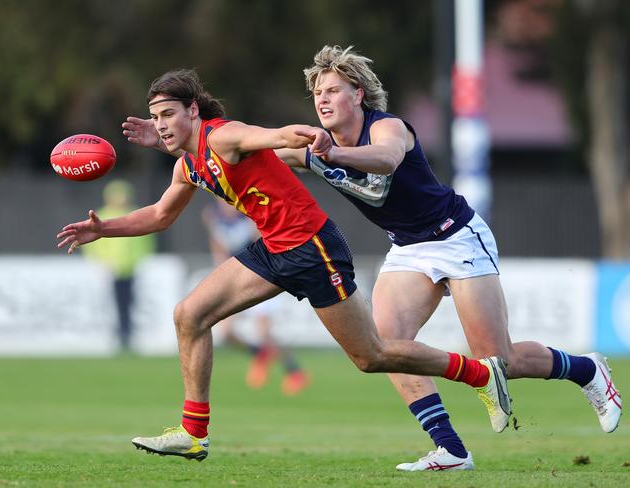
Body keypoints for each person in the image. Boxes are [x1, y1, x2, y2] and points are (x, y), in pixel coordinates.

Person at [57, 67, 511, 463]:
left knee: (371, 356)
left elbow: (273, 136)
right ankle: (193, 435)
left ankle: (479, 373)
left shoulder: (223, 135)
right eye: (155, 117)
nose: (161, 124)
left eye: (168, 114)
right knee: (189, 315)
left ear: (193, 111)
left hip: (314, 248)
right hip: (273, 249)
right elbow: (159, 215)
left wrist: (309, 136)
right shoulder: (188, 165)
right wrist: (103, 229)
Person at [273, 45, 622, 471]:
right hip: (408, 248)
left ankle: (587, 370)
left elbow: (385, 161)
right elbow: (259, 155)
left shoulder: (388, 128)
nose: (322, 100)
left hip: (457, 237)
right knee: (385, 346)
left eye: (332, 90)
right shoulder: (315, 145)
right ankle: (451, 450)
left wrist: (329, 154)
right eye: (317, 94)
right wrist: (205, 152)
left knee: (499, 361)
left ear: (359, 94)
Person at [202, 199, 310, 395]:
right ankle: (259, 353)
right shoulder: (211, 215)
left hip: (262, 276)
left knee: (264, 333)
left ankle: (294, 371)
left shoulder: (250, 213)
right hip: (235, 279)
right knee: (226, 333)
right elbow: (218, 247)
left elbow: (263, 243)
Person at [81, 179, 156, 351]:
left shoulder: (134, 213)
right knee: (114, 304)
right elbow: (94, 247)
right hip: (111, 271)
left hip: (131, 269)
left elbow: (145, 241)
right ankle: (119, 334)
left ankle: (128, 334)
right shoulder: (103, 215)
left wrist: (140, 260)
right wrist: (102, 263)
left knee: (130, 303)